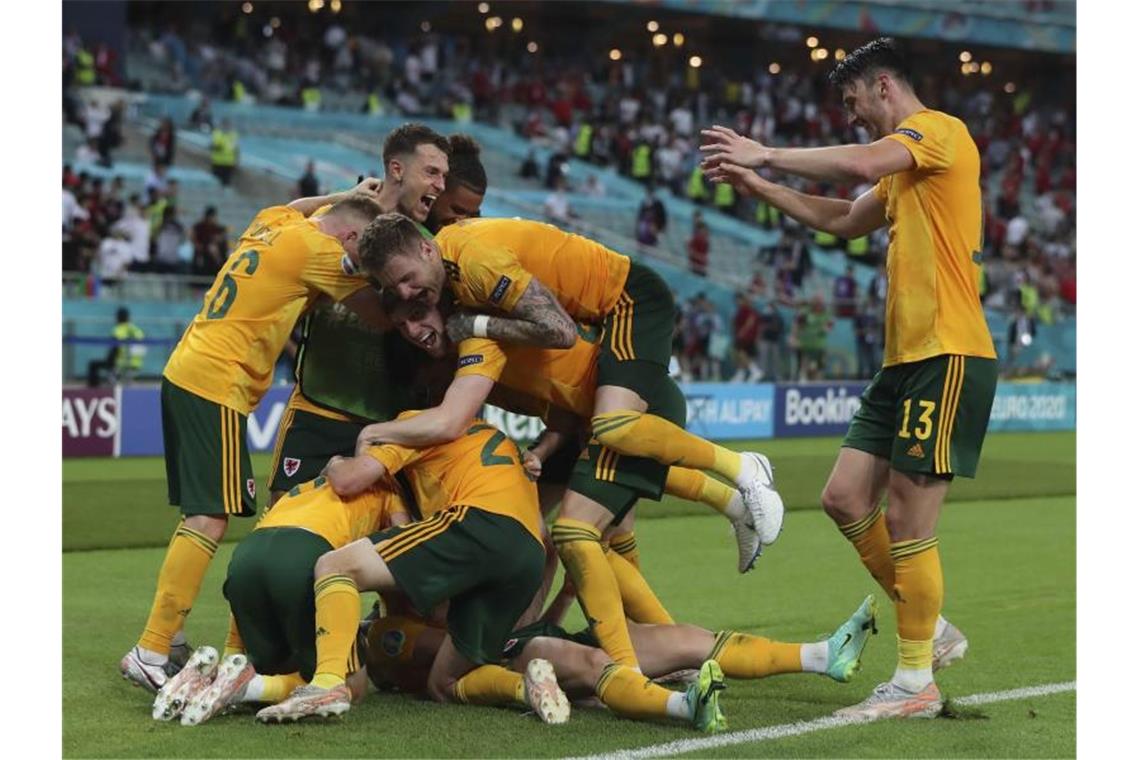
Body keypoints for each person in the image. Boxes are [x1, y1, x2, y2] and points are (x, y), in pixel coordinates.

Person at [701, 36, 998, 719]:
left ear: (885, 87)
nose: (852, 114)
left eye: (853, 100)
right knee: (841, 496)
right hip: (904, 362)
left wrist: (765, 151)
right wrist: (759, 184)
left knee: (907, 519)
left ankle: (916, 680)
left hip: (948, 354)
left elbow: (862, 160)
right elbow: (841, 219)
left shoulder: (939, 132)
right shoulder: (903, 175)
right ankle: (930, 623)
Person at [357, 214, 784, 671]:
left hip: (630, 317)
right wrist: (541, 451)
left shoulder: (476, 294)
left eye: (415, 300)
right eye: (400, 315)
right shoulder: (466, 300)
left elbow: (547, 341)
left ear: (426, 255)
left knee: (589, 504)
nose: (411, 312)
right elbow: (558, 403)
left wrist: (372, 433)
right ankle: (668, 641)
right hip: (586, 411)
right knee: (595, 534)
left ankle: (742, 473)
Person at [118, 179, 390, 695]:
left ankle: (168, 639)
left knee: (198, 513)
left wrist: (347, 192)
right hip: (218, 381)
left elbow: (295, 206)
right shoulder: (319, 251)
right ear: (349, 234)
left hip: (187, 367)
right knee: (208, 516)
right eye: (362, 250)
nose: (361, 262)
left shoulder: (277, 223)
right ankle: (150, 649)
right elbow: (377, 315)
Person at [252, 416, 589, 723]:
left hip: (477, 521)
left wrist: (338, 463)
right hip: (528, 545)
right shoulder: (491, 433)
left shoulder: (413, 425)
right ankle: (524, 686)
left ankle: (326, 684)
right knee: (443, 684)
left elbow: (348, 481)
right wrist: (561, 596)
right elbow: (546, 549)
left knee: (334, 566)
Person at [265, 125, 454, 504]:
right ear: (397, 170)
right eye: (431, 172)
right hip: (318, 408)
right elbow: (276, 224)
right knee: (278, 528)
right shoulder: (336, 219)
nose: (440, 185)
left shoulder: (430, 244)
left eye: (444, 176)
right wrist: (338, 196)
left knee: (377, 549)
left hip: (390, 424)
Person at [150, 472, 411, 726]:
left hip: (247, 556)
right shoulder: (389, 489)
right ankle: (252, 687)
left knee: (276, 666)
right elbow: (401, 559)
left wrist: (233, 649)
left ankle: (215, 680)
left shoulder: (307, 486)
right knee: (350, 685)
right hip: (304, 555)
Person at [86, 307, 145, 387]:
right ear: (128, 317)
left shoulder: (117, 330)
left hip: (120, 365)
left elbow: (113, 352)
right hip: (137, 366)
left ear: (117, 318)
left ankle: (93, 391)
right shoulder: (137, 330)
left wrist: (110, 365)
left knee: (93, 365)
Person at [731, 293, 763, 382]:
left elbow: (751, 322)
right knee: (740, 355)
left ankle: (755, 371)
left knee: (741, 354)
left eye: (739, 300)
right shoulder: (741, 310)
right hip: (743, 336)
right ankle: (740, 374)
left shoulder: (748, 310)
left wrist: (743, 332)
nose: (737, 302)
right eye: (736, 301)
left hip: (746, 337)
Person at [190, 206, 228, 278]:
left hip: (214, 263)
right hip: (203, 259)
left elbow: (222, 239)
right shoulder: (200, 227)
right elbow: (192, 235)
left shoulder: (218, 229)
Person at [210, 118, 240, 187]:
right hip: (217, 162)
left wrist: (237, 161)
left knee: (226, 182)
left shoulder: (234, 135)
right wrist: (217, 146)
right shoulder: (217, 134)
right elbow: (213, 146)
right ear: (222, 125)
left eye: (228, 125)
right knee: (216, 182)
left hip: (229, 163)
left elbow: (236, 149)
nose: (227, 127)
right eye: (225, 125)